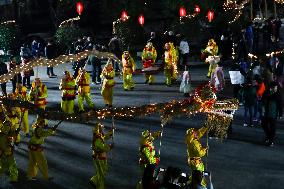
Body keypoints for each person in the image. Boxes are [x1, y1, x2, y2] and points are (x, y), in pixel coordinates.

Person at [90, 123, 113, 189]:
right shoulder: (97, 138)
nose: (103, 128)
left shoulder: (99, 136)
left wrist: (111, 132)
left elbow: (105, 137)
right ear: (99, 129)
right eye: (102, 128)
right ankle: (100, 186)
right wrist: (109, 147)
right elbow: (102, 147)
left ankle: (94, 180)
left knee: (102, 172)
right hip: (100, 157)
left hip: (99, 157)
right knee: (102, 173)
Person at [261, 81, 283, 147]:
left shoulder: (278, 95)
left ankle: (271, 141)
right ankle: (268, 137)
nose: (275, 88)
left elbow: (280, 105)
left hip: (273, 114)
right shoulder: (266, 92)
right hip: (266, 112)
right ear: (271, 87)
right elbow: (263, 100)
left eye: (276, 87)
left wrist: (280, 114)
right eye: (273, 87)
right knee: (263, 124)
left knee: (272, 127)